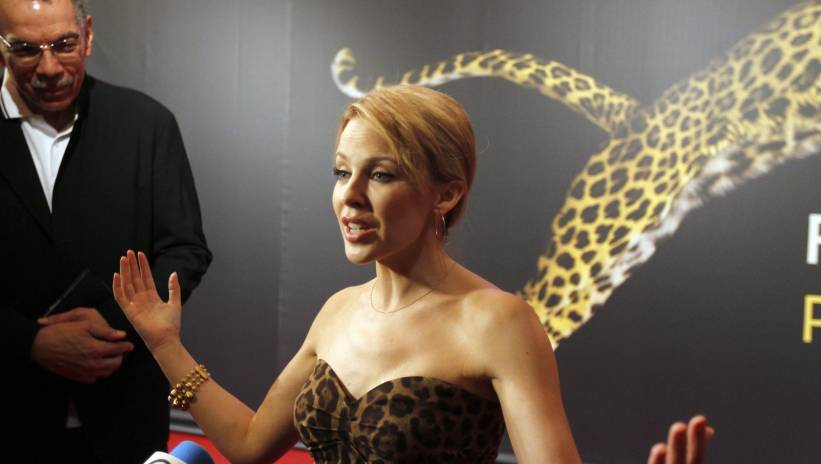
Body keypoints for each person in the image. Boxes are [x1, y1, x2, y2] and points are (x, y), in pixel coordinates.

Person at [91, 85, 709, 463]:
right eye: (342, 172)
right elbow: (251, 445)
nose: (350, 196)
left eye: (381, 174)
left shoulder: (498, 322)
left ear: (447, 193)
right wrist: (165, 343)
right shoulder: (338, 311)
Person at [0, 0, 212, 462]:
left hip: (124, 417)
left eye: (64, 44)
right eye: (27, 49)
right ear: (1, 48)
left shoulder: (147, 124)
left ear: (89, 35)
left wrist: (114, 323)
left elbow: (185, 250)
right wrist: (27, 342)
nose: (49, 68)